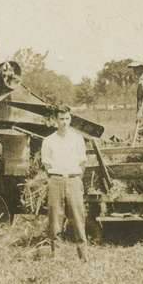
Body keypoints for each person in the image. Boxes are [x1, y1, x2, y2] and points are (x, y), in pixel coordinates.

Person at [40, 107, 88, 260]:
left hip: (74, 180)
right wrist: (57, 177)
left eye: (67, 119)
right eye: (61, 119)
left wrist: (76, 178)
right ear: (56, 120)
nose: (64, 122)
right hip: (56, 181)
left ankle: (83, 256)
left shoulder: (77, 139)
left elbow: (82, 162)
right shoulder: (48, 141)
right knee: (55, 219)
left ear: (70, 118)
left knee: (78, 218)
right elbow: (47, 165)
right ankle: (56, 255)